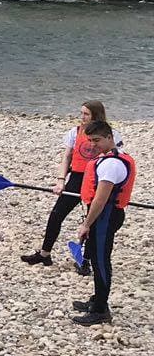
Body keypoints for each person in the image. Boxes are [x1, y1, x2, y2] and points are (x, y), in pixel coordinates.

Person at [22, 101, 122, 268]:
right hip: (76, 177)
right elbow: (67, 157)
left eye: (86, 114)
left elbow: (116, 159)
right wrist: (61, 180)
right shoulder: (74, 132)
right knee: (56, 214)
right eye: (81, 113)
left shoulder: (111, 135)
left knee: (93, 220)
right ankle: (45, 253)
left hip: (98, 179)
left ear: (95, 116)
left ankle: (86, 260)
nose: (82, 117)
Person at [73, 120, 135, 325]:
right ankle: (96, 299)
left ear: (110, 138)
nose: (93, 145)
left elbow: (100, 198)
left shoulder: (111, 164)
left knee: (100, 261)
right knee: (96, 255)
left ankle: (101, 309)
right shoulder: (108, 158)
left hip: (106, 216)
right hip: (105, 215)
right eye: (90, 140)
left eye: (97, 140)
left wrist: (86, 224)